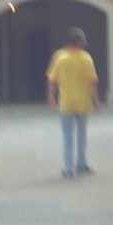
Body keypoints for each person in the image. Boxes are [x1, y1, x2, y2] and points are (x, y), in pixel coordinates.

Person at [46, 27, 99, 178]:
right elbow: (92, 82)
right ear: (79, 42)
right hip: (83, 102)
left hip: (66, 102)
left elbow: (51, 79)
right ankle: (81, 164)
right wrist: (95, 101)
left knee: (67, 137)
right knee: (82, 135)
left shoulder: (60, 57)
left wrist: (51, 97)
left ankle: (68, 168)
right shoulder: (86, 58)